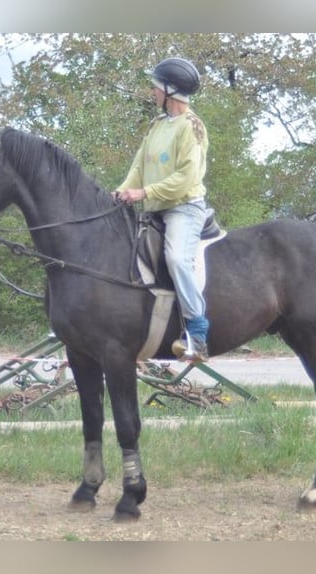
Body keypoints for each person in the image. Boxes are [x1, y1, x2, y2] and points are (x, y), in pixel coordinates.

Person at [115, 57, 210, 362]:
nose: (152, 91)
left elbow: (186, 178)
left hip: (183, 208)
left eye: (156, 86)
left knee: (177, 259)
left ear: (171, 90)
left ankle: (197, 333)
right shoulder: (157, 125)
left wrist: (143, 192)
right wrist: (122, 190)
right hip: (154, 208)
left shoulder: (192, 127)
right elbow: (139, 165)